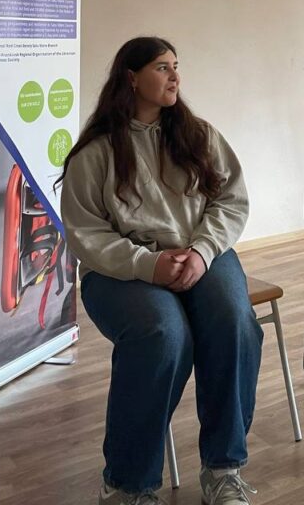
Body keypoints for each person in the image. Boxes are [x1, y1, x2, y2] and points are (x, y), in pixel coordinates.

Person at [60, 37, 262, 505]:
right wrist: (148, 265)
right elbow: (86, 235)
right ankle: (128, 484)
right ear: (131, 78)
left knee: (234, 323)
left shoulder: (199, 136)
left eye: (176, 66)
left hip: (200, 255)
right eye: (162, 67)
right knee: (162, 335)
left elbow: (231, 202)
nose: (175, 76)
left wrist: (202, 252)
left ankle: (223, 469)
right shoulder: (96, 152)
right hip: (120, 270)